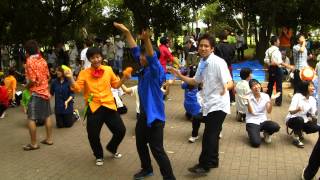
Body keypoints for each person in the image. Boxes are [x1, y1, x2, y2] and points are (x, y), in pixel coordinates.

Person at [114, 22, 176, 180]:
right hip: (143, 115)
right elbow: (136, 49)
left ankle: (169, 178)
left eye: (144, 56)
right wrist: (127, 32)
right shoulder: (144, 64)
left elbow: (152, 57)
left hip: (155, 119)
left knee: (157, 150)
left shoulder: (156, 70)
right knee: (140, 144)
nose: (140, 58)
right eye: (141, 56)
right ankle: (147, 168)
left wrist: (147, 40)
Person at [169, 33, 233, 174]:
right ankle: (214, 160)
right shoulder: (203, 63)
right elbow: (194, 81)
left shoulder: (218, 62)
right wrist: (179, 75)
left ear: (212, 49)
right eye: (201, 45)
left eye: (206, 46)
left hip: (219, 104)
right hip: (209, 104)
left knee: (209, 135)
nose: (203, 48)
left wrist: (225, 88)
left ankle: (204, 165)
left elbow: (230, 82)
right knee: (213, 134)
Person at [64, 47, 128, 166]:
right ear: (89, 59)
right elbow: (77, 88)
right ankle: (98, 155)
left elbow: (115, 85)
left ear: (101, 57)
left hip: (108, 105)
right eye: (93, 58)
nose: (96, 59)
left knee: (121, 130)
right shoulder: (84, 73)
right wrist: (69, 78)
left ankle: (112, 148)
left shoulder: (108, 70)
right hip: (94, 107)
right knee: (93, 135)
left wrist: (124, 78)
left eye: (98, 57)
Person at [23, 39, 53, 151]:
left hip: (36, 93)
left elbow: (32, 80)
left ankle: (34, 144)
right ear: (37, 49)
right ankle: (49, 139)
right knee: (47, 115)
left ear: (27, 51)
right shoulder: (43, 60)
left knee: (31, 118)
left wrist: (26, 87)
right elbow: (48, 77)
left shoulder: (29, 62)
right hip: (45, 92)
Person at [245, 79, 280, 147]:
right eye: (253, 86)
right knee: (256, 143)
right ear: (251, 89)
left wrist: (271, 101)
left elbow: (269, 111)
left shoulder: (265, 96)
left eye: (257, 85)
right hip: (252, 121)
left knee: (275, 126)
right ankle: (251, 132)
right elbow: (251, 112)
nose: (256, 87)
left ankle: (266, 133)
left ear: (260, 86)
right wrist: (248, 101)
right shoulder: (248, 97)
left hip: (263, 120)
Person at [286, 81, 319, 148]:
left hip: (304, 120)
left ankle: (300, 131)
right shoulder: (297, 96)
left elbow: (313, 114)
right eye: (311, 86)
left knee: (317, 127)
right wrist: (297, 109)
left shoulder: (312, 99)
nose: (313, 88)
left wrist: (316, 113)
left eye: (313, 86)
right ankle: (296, 138)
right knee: (299, 119)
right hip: (292, 119)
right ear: (305, 87)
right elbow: (291, 112)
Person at [180, 67, 203, 143]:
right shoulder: (199, 83)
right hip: (196, 107)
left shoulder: (186, 83)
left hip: (186, 105)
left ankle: (189, 114)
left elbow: (182, 85)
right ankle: (192, 116)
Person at [215, 30, 236, 104]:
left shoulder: (217, 46)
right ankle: (232, 99)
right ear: (227, 36)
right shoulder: (232, 46)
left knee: (219, 82)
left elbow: (216, 57)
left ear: (219, 37)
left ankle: (221, 98)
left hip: (219, 67)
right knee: (230, 81)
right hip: (229, 66)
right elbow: (234, 57)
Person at [264, 36, 284, 106]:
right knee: (279, 86)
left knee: (270, 84)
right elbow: (279, 62)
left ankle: (266, 100)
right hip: (278, 69)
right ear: (275, 42)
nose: (279, 42)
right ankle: (278, 102)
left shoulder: (268, 50)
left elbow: (265, 60)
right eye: (278, 41)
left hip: (271, 69)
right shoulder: (277, 51)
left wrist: (269, 63)